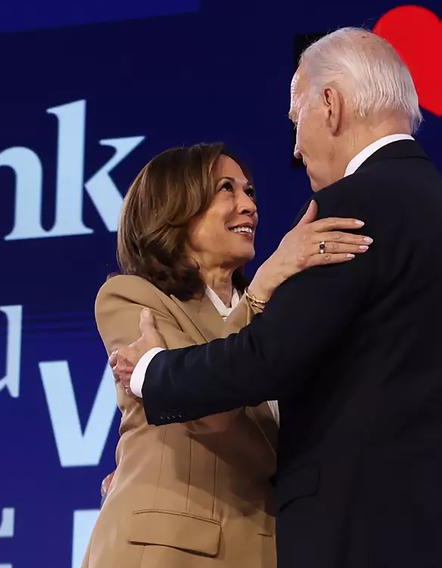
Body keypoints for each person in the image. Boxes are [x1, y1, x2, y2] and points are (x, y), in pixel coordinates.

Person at [111, 28, 442, 567]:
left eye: (297, 123)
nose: (295, 149)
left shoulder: (355, 205)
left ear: (330, 105)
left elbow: (266, 360)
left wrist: (150, 373)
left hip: (359, 529)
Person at [83, 142, 369, 567]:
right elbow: (205, 406)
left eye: (250, 192)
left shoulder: (278, 314)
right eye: (227, 189)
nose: (248, 206)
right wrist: (262, 289)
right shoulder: (133, 298)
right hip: (165, 551)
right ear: (174, 206)